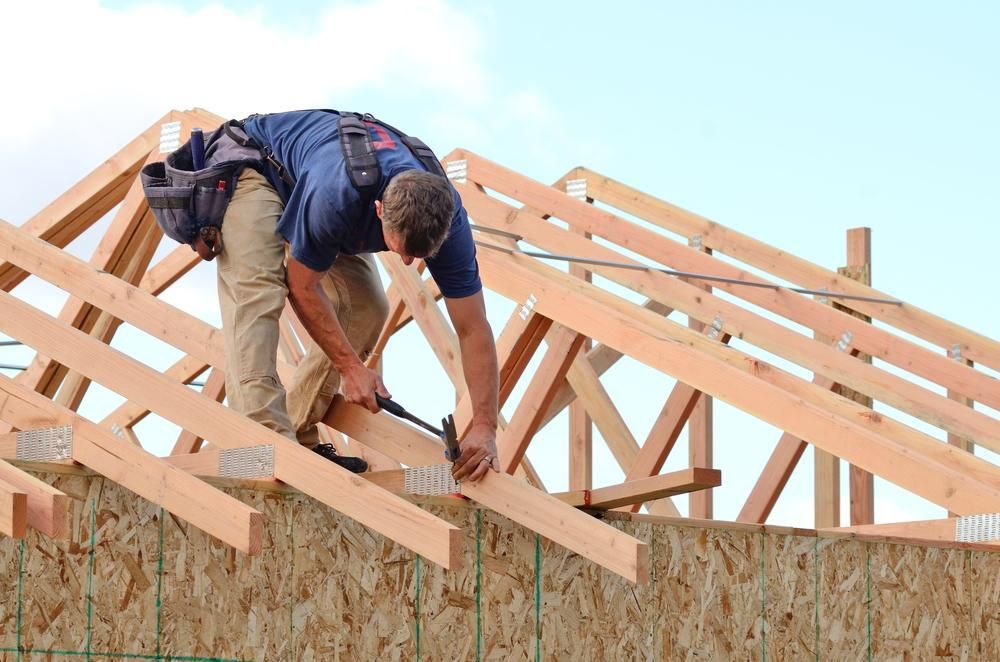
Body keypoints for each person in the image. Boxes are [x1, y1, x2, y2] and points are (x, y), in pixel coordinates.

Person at [197, 110, 499, 482]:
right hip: (257, 169)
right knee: (259, 293)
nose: (406, 261)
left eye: (420, 256)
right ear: (379, 211)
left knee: (368, 307)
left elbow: (473, 327)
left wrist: (485, 425)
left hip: (322, 191)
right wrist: (350, 368)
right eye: (400, 248)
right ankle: (263, 450)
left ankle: (298, 434)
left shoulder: (449, 221)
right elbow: (302, 286)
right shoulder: (337, 195)